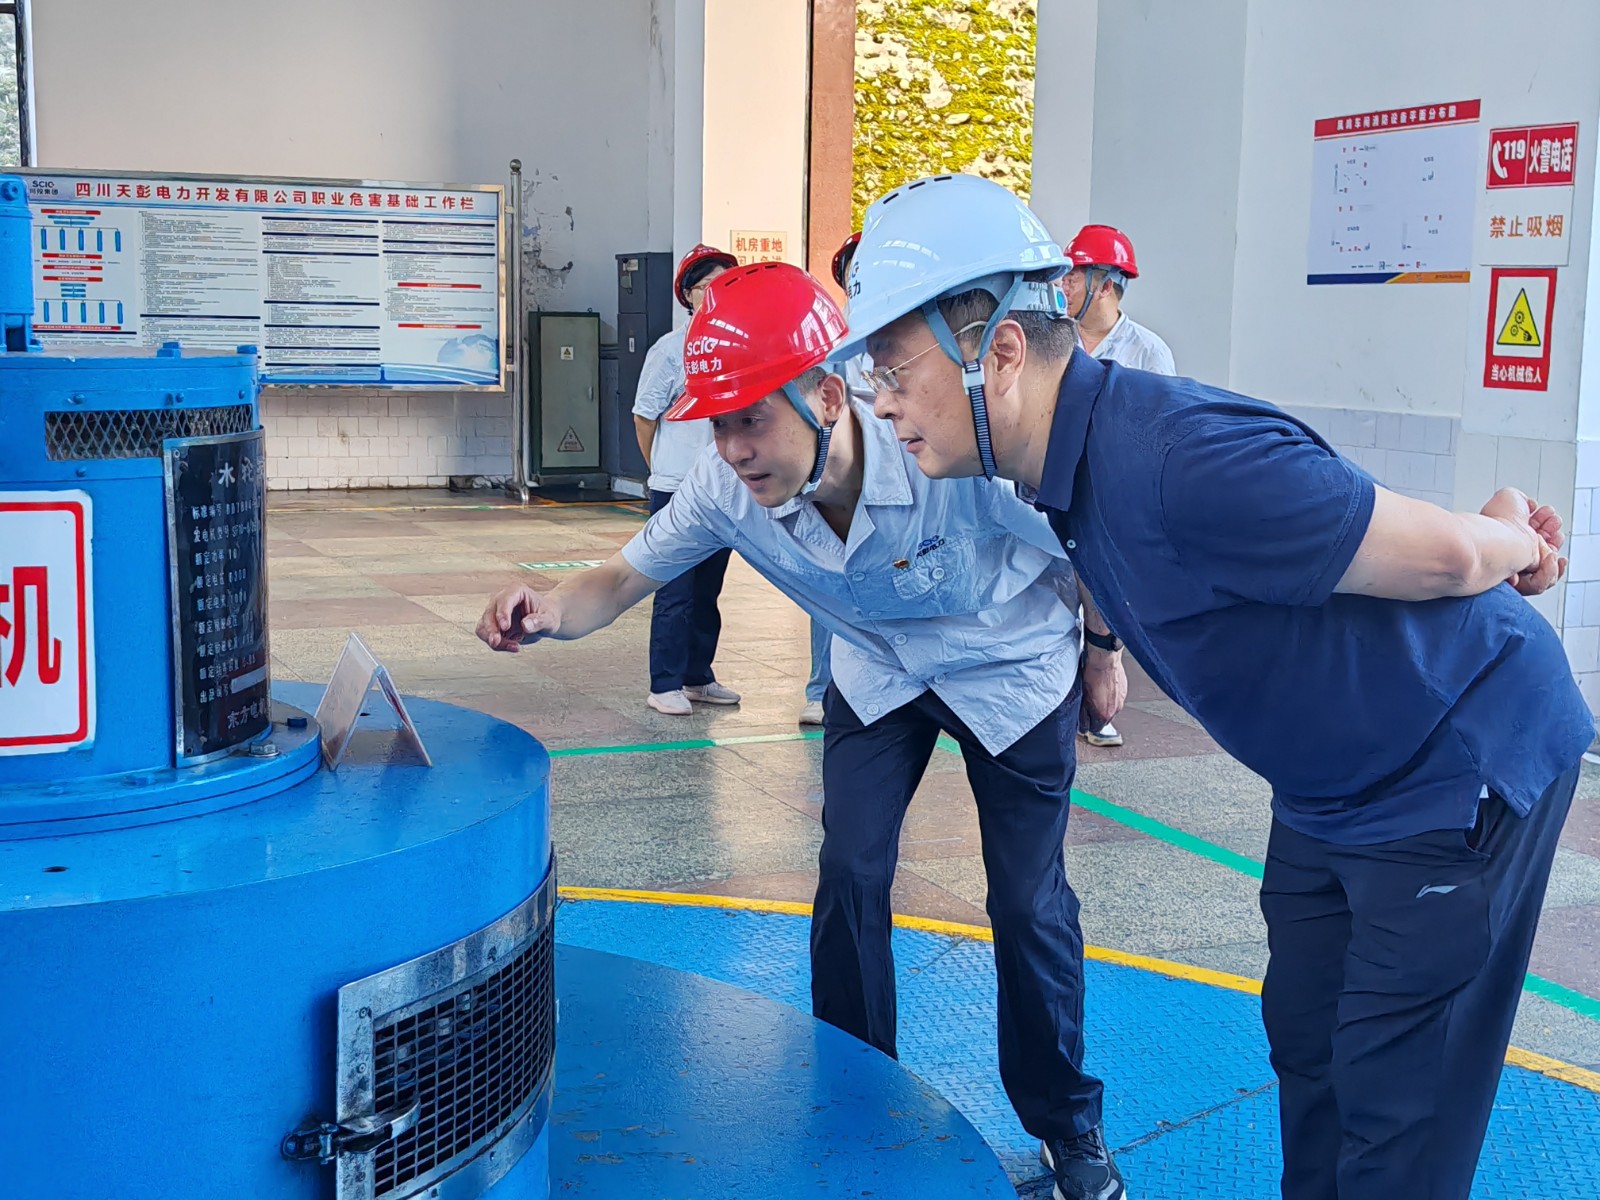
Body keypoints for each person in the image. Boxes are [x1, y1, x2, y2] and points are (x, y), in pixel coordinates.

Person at [838, 172, 1592, 1200]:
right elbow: (1341, 525)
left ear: (999, 353)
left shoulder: (1176, 456)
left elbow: (1444, 557)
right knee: (1310, 1053)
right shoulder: (1063, 468)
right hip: (1327, 786)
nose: (879, 400)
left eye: (892, 367)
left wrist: (1508, 539)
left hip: (1453, 763)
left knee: (1397, 1108)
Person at [479, 262, 1128, 1200]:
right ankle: (862, 1091)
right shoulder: (722, 486)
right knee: (851, 871)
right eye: (718, 423)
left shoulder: (945, 449)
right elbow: (617, 581)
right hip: (883, 670)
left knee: (1027, 903)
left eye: (751, 419)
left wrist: (1101, 650)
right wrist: (545, 609)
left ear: (827, 396)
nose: (734, 448)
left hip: (1008, 666)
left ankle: (1067, 1123)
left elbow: (1085, 534)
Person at [630, 243, 742, 715]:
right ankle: (665, 684)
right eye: (706, 286)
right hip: (676, 487)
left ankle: (698, 676)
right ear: (688, 296)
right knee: (674, 587)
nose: (716, 295)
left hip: (723, 488)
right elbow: (644, 416)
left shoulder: (736, 345)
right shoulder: (670, 350)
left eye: (725, 286)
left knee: (707, 590)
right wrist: (660, 469)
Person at [799, 232, 878, 727]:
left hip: (898, 479)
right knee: (830, 583)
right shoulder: (833, 339)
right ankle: (821, 687)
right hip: (840, 484)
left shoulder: (911, 331)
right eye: (855, 270)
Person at [1062, 225, 1176, 376]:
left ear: (1105, 287)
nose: (1064, 290)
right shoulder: (1057, 340)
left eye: (1072, 281)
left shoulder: (1149, 351)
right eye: (1064, 281)